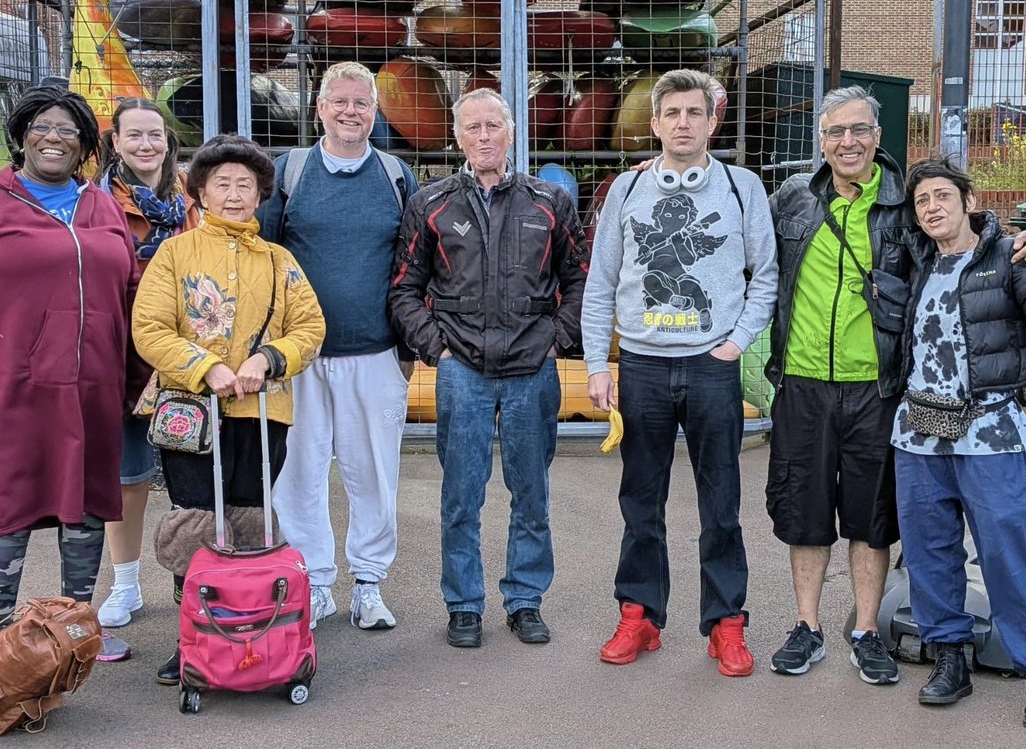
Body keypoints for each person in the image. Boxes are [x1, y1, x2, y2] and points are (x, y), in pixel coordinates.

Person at [0, 85, 137, 643]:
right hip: (11, 390)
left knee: (88, 504)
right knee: (8, 505)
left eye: (68, 130)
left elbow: (131, 294)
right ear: (20, 137)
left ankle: (76, 630)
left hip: (94, 389)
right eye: (42, 126)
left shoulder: (102, 205)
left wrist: (136, 379)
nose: (54, 138)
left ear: (86, 144)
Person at [582, 68, 777, 677]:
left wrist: (736, 343)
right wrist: (597, 363)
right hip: (641, 366)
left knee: (721, 503)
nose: (684, 123)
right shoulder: (627, 190)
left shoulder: (743, 188)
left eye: (695, 113)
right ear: (657, 121)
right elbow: (602, 282)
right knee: (641, 501)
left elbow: (764, 277)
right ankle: (639, 616)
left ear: (713, 120)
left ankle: (726, 625)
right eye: (672, 113)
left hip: (711, 366)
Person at [388, 88, 589, 648]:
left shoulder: (550, 201)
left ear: (511, 133)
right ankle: (464, 604)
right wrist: (437, 347)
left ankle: (525, 600)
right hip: (462, 371)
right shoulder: (431, 204)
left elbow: (578, 278)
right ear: (457, 137)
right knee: (461, 494)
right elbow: (404, 288)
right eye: (472, 127)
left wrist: (558, 339)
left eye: (493, 126)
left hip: (533, 369)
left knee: (531, 493)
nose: (483, 136)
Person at [893, 156, 1026, 733]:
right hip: (919, 433)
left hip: (988, 430)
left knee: (1005, 551)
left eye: (942, 196)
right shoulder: (916, 261)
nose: (932, 207)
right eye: (922, 199)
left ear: (968, 201)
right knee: (929, 552)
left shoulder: (1009, 257)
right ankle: (950, 656)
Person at [131, 134, 325, 684]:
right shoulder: (175, 253)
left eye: (246, 185)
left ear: (260, 195)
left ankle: (254, 627)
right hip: (191, 413)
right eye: (223, 184)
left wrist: (268, 359)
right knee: (195, 520)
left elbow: (310, 328)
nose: (235, 194)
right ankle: (194, 633)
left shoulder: (280, 261)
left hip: (263, 411)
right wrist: (205, 367)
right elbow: (149, 328)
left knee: (249, 513)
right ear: (201, 193)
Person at [258, 62, 418, 632]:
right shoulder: (290, 172)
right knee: (297, 474)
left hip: (374, 355)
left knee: (374, 473)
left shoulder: (397, 176)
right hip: (299, 359)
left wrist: (409, 349)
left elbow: (414, 263)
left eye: (362, 104)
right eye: (340, 102)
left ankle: (369, 584)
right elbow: (263, 255)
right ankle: (316, 582)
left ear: (375, 112)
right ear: (320, 107)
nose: (352, 112)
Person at [762, 86, 912, 684]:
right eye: (834, 132)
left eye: (857, 131)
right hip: (802, 383)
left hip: (875, 388)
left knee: (871, 515)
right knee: (805, 511)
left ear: (878, 137)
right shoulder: (793, 198)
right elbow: (732, 222)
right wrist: (663, 166)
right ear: (820, 140)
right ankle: (807, 626)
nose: (846, 142)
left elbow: (960, 238)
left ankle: (867, 629)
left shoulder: (906, 206)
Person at [95, 98, 200, 642]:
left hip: (183, 360)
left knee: (191, 480)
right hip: (124, 359)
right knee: (129, 479)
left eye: (153, 134)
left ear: (167, 138)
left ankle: (192, 579)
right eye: (133, 135)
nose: (145, 144)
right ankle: (126, 582)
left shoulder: (190, 200)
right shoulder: (98, 204)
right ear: (115, 142)